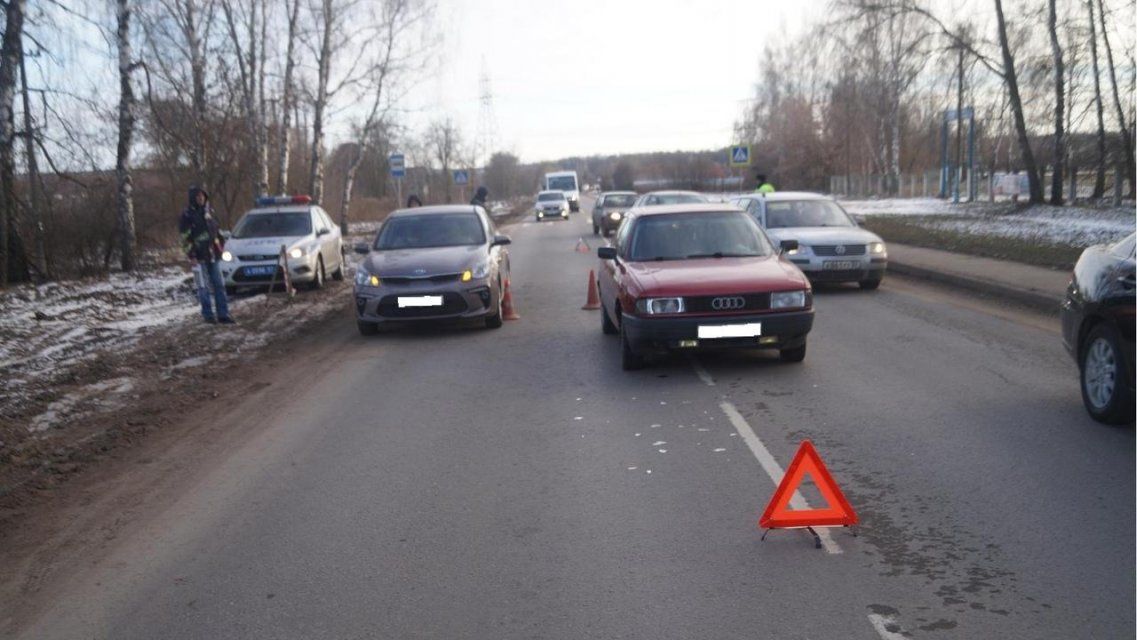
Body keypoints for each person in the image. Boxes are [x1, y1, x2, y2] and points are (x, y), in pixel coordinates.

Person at [178, 186, 234, 324]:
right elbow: (184, 238)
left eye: (203, 196)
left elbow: (217, 232)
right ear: (193, 198)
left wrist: (220, 248)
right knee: (203, 288)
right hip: (198, 257)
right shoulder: (187, 216)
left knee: (219, 285)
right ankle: (208, 315)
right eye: (198, 196)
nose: (201, 198)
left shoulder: (210, 212)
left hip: (213, 255)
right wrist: (191, 255)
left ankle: (223, 314)